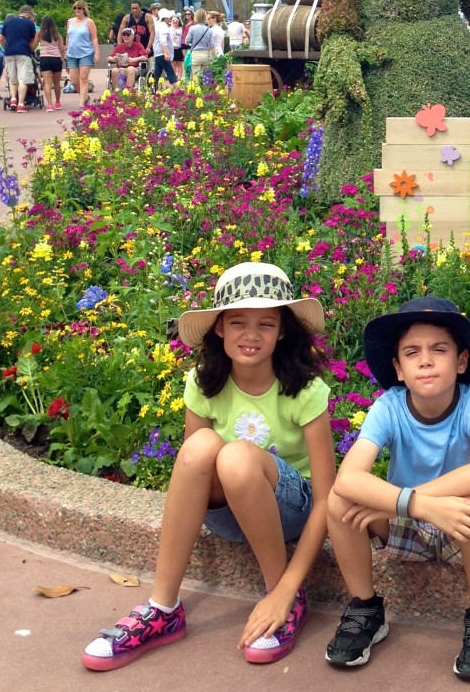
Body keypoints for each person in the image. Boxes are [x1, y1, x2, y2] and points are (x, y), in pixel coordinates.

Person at [81, 262, 336, 672]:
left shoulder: (304, 390)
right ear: (219, 327)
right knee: (201, 446)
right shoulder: (204, 382)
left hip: (290, 511)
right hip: (228, 512)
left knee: (235, 455)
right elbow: (193, 468)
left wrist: (288, 587)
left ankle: (281, 595)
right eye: (237, 322)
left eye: (266, 324)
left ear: (283, 330)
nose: (251, 335)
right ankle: (163, 607)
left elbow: (327, 498)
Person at [325, 296, 470, 681]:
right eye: (412, 352)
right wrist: (414, 506)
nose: (425, 360)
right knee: (339, 500)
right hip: (408, 521)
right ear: (399, 368)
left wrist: (405, 501)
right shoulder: (389, 406)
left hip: (462, 529)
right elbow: (348, 478)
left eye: (438, 349)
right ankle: (365, 609)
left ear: (460, 362)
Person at [2, 4, 38, 111]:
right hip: (23, 53)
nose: (31, 17)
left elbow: (0, 39)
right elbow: (32, 43)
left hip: (9, 53)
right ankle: (21, 104)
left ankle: (13, 99)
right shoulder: (29, 24)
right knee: (22, 80)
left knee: (13, 79)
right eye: (31, 15)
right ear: (27, 13)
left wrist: (6, 48)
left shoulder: (8, 22)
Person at [66, 0, 100, 107]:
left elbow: (94, 38)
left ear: (84, 9)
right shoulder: (70, 21)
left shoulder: (89, 22)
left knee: (83, 78)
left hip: (86, 52)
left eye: (79, 8)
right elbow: (68, 36)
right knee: (74, 80)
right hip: (72, 53)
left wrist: (97, 52)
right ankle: (85, 97)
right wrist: (66, 50)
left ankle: (81, 103)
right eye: (75, 8)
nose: (77, 10)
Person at [36, 15, 67, 111]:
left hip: (45, 59)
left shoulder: (40, 34)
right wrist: (64, 58)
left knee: (47, 83)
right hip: (56, 59)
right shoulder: (57, 35)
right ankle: (57, 102)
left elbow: (33, 46)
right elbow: (62, 49)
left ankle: (49, 105)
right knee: (57, 83)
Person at [151, 15, 181, 92]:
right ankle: (179, 91)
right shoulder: (163, 27)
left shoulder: (159, 25)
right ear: (166, 18)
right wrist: (166, 53)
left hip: (158, 53)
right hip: (162, 53)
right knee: (170, 72)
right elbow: (163, 40)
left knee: (157, 73)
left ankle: (152, 90)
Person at [186, 9, 214, 77]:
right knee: (206, 76)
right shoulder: (209, 30)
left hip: (195, 54)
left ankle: (197, 87)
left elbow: (186, 42)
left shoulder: (192, 28)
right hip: (205, 54)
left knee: (196, 77)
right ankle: (205, 87)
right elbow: (212, 45)